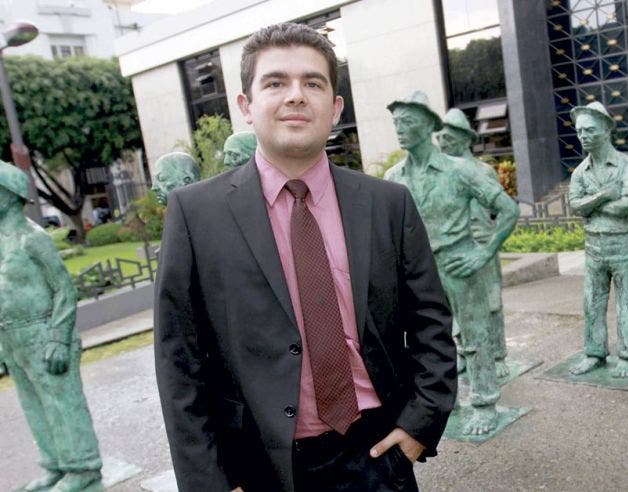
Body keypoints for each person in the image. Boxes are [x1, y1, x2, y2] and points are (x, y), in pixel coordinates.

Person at [154, 23, 456, 492]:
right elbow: (179, 362)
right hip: (259, 468)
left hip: (377, 456)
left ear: (335, 108)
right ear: (245, 106)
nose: (296, 96)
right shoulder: (195, 214)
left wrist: (419, 424)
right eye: (275, 82)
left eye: (312, 83)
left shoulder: (387, 204)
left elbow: (432, 323)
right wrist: (210, 482)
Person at [385, 92, 519, 436]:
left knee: (474, 336)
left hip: (459, 264)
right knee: (428, 342)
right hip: (417, 272)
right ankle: (444, 404)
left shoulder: (459, 171)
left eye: (409, 122)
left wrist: (483, 253)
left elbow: (507, 210)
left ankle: (485, 403)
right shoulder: (394, 177)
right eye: (396, 123)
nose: (400, 129)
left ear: (429, 125)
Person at [0, 161, 103, 492]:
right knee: (33, 404)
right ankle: (56, 465)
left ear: (9, 195)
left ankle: (82, 469)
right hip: (13, 336)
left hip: (44, 332)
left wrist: (59, 338)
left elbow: (63, 288)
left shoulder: (33, 238)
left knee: (61, 403)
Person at [435, 108, 516, 380]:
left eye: (448, 137)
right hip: (453, 248)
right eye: (440, 137)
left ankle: (498, 355)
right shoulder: (442, 173)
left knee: (491, 302)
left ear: (464, 138)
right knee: (455, 308)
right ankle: (463, 354)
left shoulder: (482, 170)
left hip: (480, 244)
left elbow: (502, 209)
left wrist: (487, 248)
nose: (442, 142)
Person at [566, 102, 628, 378]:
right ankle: (595, 353)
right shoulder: (580, 172)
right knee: (592, 302)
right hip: (594, 246)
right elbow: (575, 206)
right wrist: (603, 196)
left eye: (589, 130)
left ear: (606, 130)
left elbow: (627, 206)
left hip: (623, 243)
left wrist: (593, 205)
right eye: (578, 131)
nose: (583, 136)